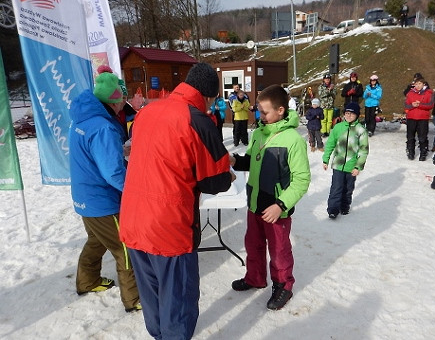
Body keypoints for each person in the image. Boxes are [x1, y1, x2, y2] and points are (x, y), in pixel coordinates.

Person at [119, 62, 234, 340]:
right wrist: (227, 172)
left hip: (133, 221)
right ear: (208, 96)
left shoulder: (146, 112)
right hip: (169, 229)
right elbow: (214, 181)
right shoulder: (197, 120)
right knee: (178, 302)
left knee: (153, 297)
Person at [230, 84, 311, 311]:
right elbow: (251, 160)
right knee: (253, 244)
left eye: (264, 111)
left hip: (276, 209)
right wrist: (235, 161)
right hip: (255, 203)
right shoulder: (258, 133)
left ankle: (283, 285)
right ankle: (255, 277)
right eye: (258, 110)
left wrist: (280, 205)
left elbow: (301, 179)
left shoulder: (292, 140)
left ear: (281, 111)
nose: (260, 115)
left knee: (279, 250)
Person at [69, 65, 141, 313]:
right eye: (123, 98)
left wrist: (118, 150)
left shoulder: (84, 118)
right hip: (103, 200)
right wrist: (135, 192)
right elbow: (113, 172)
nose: (124, 103)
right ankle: (134, 299)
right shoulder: (104, 127)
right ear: (115, 99)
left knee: (96, 242)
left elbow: (94, 156)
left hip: (84, 198)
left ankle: (87, 280)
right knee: (126, 248)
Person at [322, 102, 369, 219]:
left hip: (351, 165)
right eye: (347, 113)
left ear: (357, 115)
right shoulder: (338, 127)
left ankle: (344, 206)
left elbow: (364, 151)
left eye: (351, 114)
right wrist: (326, 159)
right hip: (338, 164)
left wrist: (358, 166)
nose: (348, 116)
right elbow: (330, 144)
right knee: (336, 187)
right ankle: (333, 209)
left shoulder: (361, 130)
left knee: (348, 189)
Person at [404, 77, 434, 161]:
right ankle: (411, 152)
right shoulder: (410, 93)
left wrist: (420, 105)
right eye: (416, 84)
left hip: (422, 118)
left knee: (422, 136)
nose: (417, 86)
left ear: (423, 84)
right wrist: (412, 105)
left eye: (419, 84)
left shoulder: (428, 93)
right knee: (410, 136)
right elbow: (406, 105)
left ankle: (423, 152)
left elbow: (431, 105)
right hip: (411, 117)